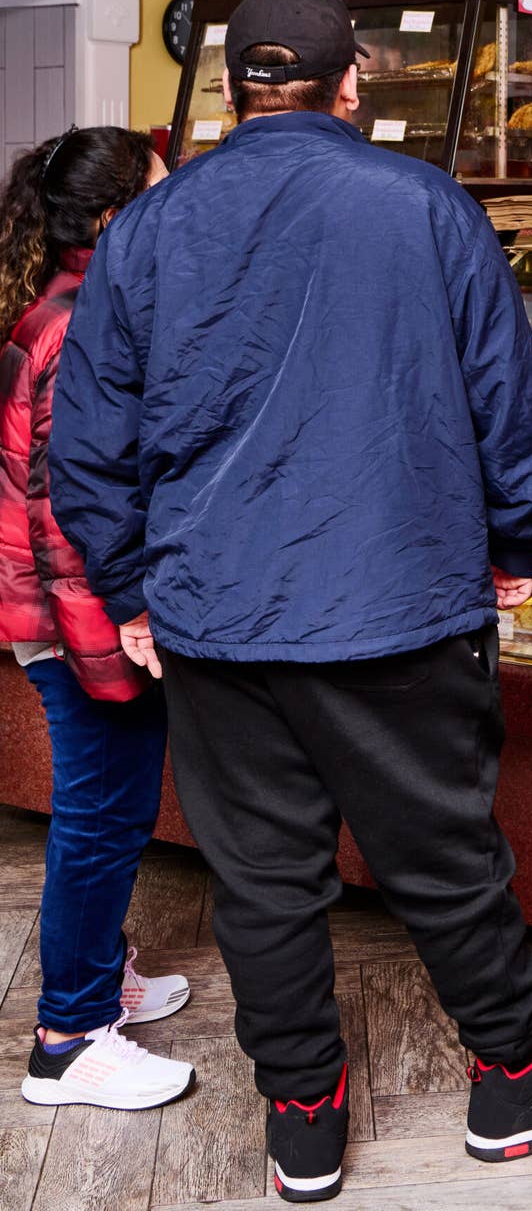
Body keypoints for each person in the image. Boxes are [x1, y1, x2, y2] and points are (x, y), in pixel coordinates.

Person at [48, 0, 532, 1205]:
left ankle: (302, 1118)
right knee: (447, 862)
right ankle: (517, 1083)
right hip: (403, 602)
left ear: (226, 91)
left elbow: (87, 443)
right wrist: (510, 548)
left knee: (262, 883)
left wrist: (129, 590)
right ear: (353, 85)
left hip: (216, 614)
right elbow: (510, 405)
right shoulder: (426, 203)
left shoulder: (147, 232)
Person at [0, 127, 193, 1113]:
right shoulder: (81, 324)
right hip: (74, 611)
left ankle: (100, 978)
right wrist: (121, 624)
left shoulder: (67, 304)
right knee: (99, 818)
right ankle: (68, 1036)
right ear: (116, 218)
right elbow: (64, 501)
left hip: (58, 604)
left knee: (104, 810)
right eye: (162, 196)